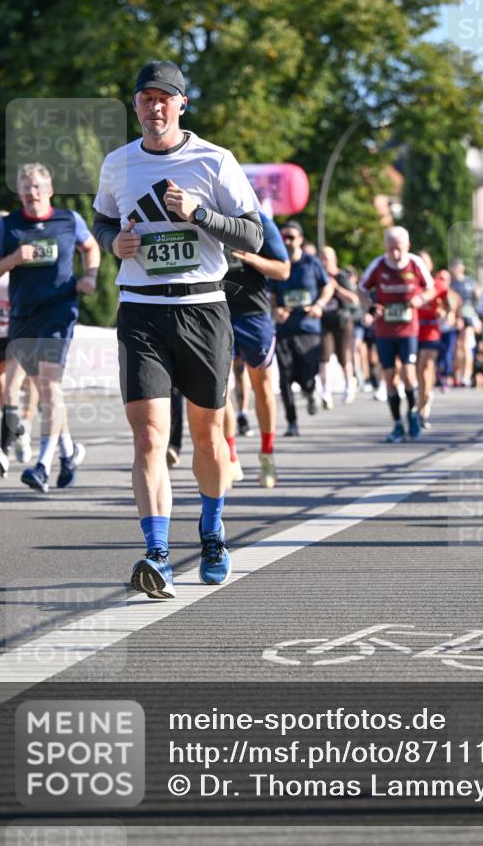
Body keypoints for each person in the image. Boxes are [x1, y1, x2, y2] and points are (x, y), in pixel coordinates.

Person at [92, 60, 263, 597]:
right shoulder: (118, 165)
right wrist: (109, 243)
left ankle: (211, 529)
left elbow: (253, 237)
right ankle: (157, 553)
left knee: (209, 436)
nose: (155, 106)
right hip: (140, 309)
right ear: (136, 105)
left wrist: (199, 215)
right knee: (148, 437)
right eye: (145, 98)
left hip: (202, 309)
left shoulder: (215, 160)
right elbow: (102, 219)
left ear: (182, 104)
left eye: (165, 97)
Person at [0, 164, 99, 492]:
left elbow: (90, 247)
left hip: (59, 310)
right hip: (22, 316)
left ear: (49, 190)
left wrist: (89, 275)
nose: (31, 193)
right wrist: (14, 258)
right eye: (25, 188)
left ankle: (43, 464)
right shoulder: (8, 226)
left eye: (37, 187)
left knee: (48, 385)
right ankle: (69, 451)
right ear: (19, 193)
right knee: (38, 390)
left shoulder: (68, 220)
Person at [223, 211, 290, 487]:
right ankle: (230, 458)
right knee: (219, 389)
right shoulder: (200, 215)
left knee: (261, 387)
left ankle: (267, 456)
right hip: (217, 311)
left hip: (253, 314)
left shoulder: (259, 221)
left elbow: (283, 270)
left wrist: (251, 258)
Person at [0, 210, 38, 473]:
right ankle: (19, 430)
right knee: (2, 392)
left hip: (16, 333)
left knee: (27, 383)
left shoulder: (20, 262)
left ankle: (24, 423)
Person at [359, 227, 433, 442]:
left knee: (409, 375)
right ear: (385, 247)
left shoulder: (415, 263)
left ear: (407, 247)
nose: (395, 254)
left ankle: (413, 414)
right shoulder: (378, 265)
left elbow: (430, 288)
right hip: (384, 330)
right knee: (390, 379)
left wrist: (420, 299)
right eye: (390, 249)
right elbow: (361, 289)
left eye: (399, 249)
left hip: (408, 329)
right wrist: (371, 307)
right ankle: (397, 424)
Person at [269, 221, 333, 437]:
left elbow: (327, 287)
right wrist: (276, 310)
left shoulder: (311, 263)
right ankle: (292, 422)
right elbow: (273, 296)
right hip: (285, 328)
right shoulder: (278, 264)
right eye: (284, 237)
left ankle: (309, 389)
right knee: (285, 376)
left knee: (307, 374)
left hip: (308, 328)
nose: (287, 241)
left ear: (300, 239)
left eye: (291, 237)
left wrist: (319, 305)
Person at [318, 246, 359, 408]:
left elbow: (354, 299)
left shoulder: (341, 276)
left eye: (326, 258)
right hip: (325, 321)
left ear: (334, 260)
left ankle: (350, 384)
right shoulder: (319, 277)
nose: (323, 262)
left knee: (343, 356)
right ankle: (326, 392)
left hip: (342, 321)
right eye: (321, 258)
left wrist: (337, 288)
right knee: (324, 356)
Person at [415, 253, 448, 428]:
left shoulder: (438, 284)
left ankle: (421, 410)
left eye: (424, 262)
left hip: (430, 331)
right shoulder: (411, 284)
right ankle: (422, 396)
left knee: (426, 369)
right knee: (415, 373)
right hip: (412, 331)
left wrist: (446, 312)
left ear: (430, 265)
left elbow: (453, 298)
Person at [450, 258, 479, 387]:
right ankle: (458, 372)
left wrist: (476, 316)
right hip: (455, 316)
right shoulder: (451, 284)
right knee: (458, 347)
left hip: (468, 315)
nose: (457, 269)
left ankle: (467, 375)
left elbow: (478, 298)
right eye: (454, 266)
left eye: (459, 266)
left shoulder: (470, 282)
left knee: (466, 345)